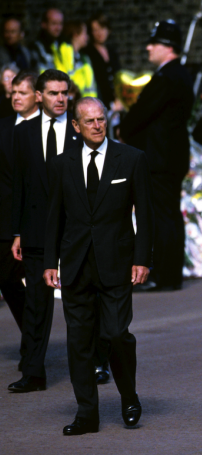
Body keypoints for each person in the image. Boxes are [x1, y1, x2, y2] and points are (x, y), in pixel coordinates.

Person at [43, 97, 153, 435]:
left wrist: (142, 258)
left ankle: (129, 395)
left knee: (117, 333)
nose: (97, 125)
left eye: (101, 119)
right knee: (79, 342)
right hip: (75, 265)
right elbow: (53, 216)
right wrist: (50, 262)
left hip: (116, 264)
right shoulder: (62, 164)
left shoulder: (131, 159)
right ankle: (87, 414)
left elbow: (146, 215)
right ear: (75, 126)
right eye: (89, 121)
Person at [9, 69, 82, 393]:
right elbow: (19, 186)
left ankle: (95, 362)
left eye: (64, 92)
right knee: (37, 304)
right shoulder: (23, 133)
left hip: (76, 230)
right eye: (53, 93)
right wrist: (17, 232)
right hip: (36, 230)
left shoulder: (79, 132)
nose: (60, 99)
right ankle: (33, 371)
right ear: (39, 96)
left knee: (82, 301)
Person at [118, 19, 194, 292]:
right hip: (171, 156)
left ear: (169, 47)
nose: (148, 47)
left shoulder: (167, 77)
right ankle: (169, 273)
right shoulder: (179, 74)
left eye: (154, 43)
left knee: (162, 216)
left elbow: (142, 113)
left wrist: (122, 130)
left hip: (161, 158)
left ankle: (164, 274)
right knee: (169, 213)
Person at [0, 70, 39, 354]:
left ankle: (98, 353)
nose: (16, 97)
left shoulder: (49, 130)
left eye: (22, 92)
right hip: (6, 220)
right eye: (13, 92)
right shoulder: (3, 128)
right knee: (8, 279)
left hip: (42, 218)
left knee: (73, 291)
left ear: (37, 96)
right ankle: (33, 340)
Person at [82, 13, 121, 110]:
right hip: (99, 102)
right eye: (95, 30)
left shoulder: (112, 52)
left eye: (102, 28)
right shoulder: (88, 53)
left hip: (116, 104)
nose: (100, 33)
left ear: (108, 29)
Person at [56, 20, 97, 98]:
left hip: (84, 102)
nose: (87, 37)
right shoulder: (62, 52)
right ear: (75, 35)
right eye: (84, 33)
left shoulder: (84, 58)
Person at [30, 7, 72, 73]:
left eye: (60, 23)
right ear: (44, 24)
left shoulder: (64, 45)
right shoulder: (35, 48)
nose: (58, 28)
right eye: (54, 23)